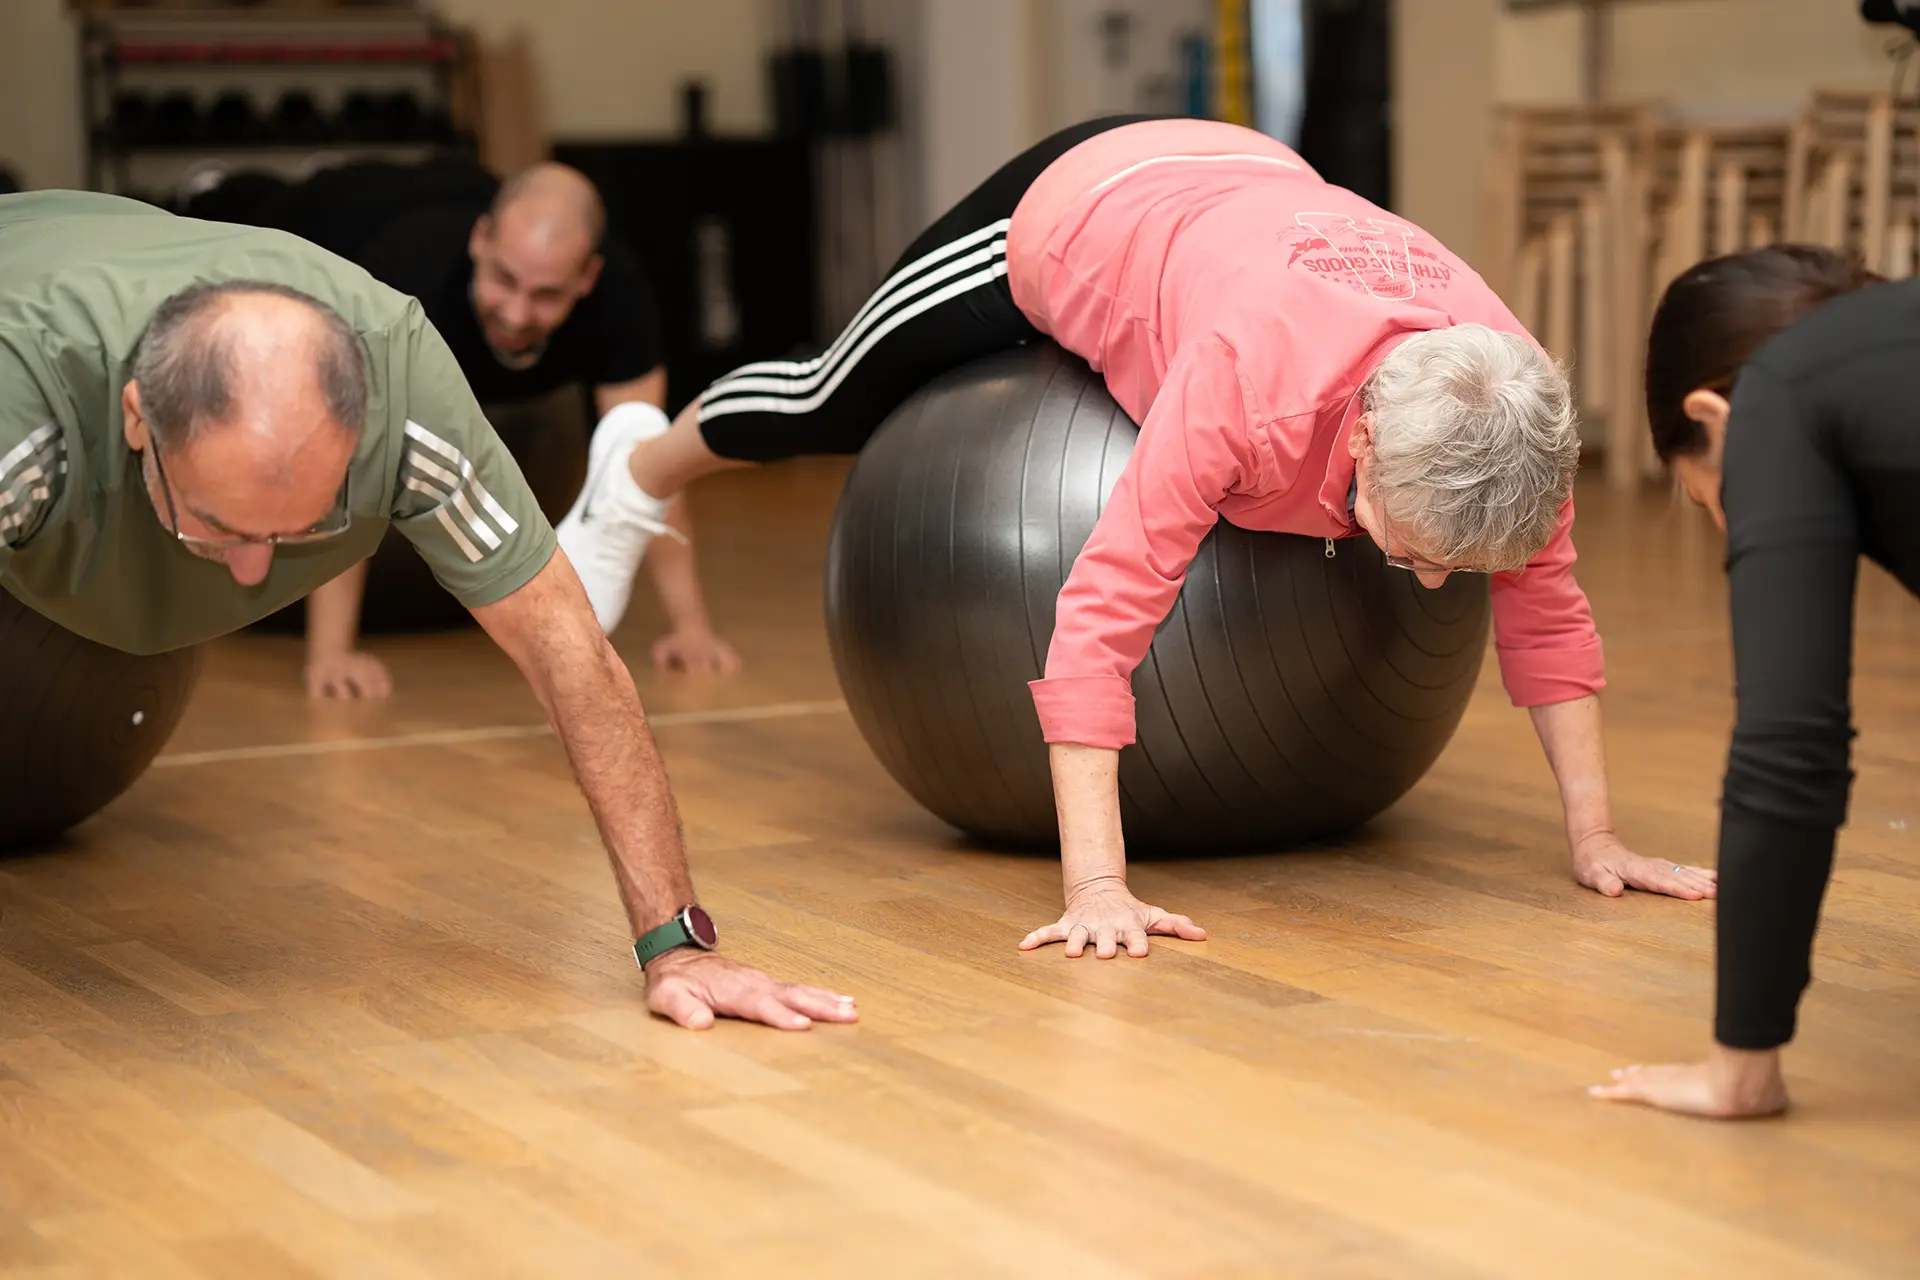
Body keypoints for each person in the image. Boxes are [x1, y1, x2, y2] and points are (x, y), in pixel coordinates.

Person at [557, 115, 1711, 959]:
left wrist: (1596, 834)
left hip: (1255, 188)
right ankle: (640, 471)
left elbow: (1549, 611)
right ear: (1357, 436)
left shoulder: (1515, 420)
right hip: (1082, 201)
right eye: (1407, 547)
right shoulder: (1242, 390)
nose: (1424, 582)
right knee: (828, 400)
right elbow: (1100, 614)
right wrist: (1097, 883)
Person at [0, 189, 853, 1033]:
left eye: (296, 528)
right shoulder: (24, 411)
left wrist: (677, 945)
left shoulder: (402, 391)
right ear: (137, 420)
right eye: (222, 523)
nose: (253, 573)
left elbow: (568, 648)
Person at [201, 157, 738, 697]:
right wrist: (332, 653)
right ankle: (216, 185)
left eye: (546, 294)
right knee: (225, 218)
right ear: (481, 241)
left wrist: (690, 627)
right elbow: (353, 458)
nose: (516, 312)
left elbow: (646, 462)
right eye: (504, 279)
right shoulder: (406, 285)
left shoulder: (618, 294)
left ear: (587, 276)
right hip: (319, 218)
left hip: (443, 191)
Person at [1592, 245, 1915, 1119]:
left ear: (1714, 415)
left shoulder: (1779, 398)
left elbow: (1792, 748)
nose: (1733, 526)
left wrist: (1743, 1063)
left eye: (1709, 501)